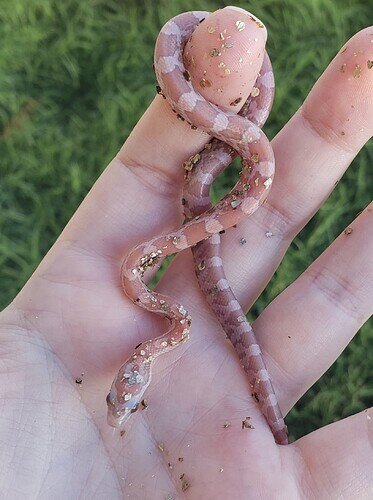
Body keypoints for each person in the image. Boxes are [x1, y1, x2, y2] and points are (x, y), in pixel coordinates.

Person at [0, 6, 371, 499]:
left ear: (136, 364)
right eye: (123, 400)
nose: (119, 400)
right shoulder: (153, 306)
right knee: (201, 183)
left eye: (119, 398)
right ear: (136, 373)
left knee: (206, 179)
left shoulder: (144, 288)